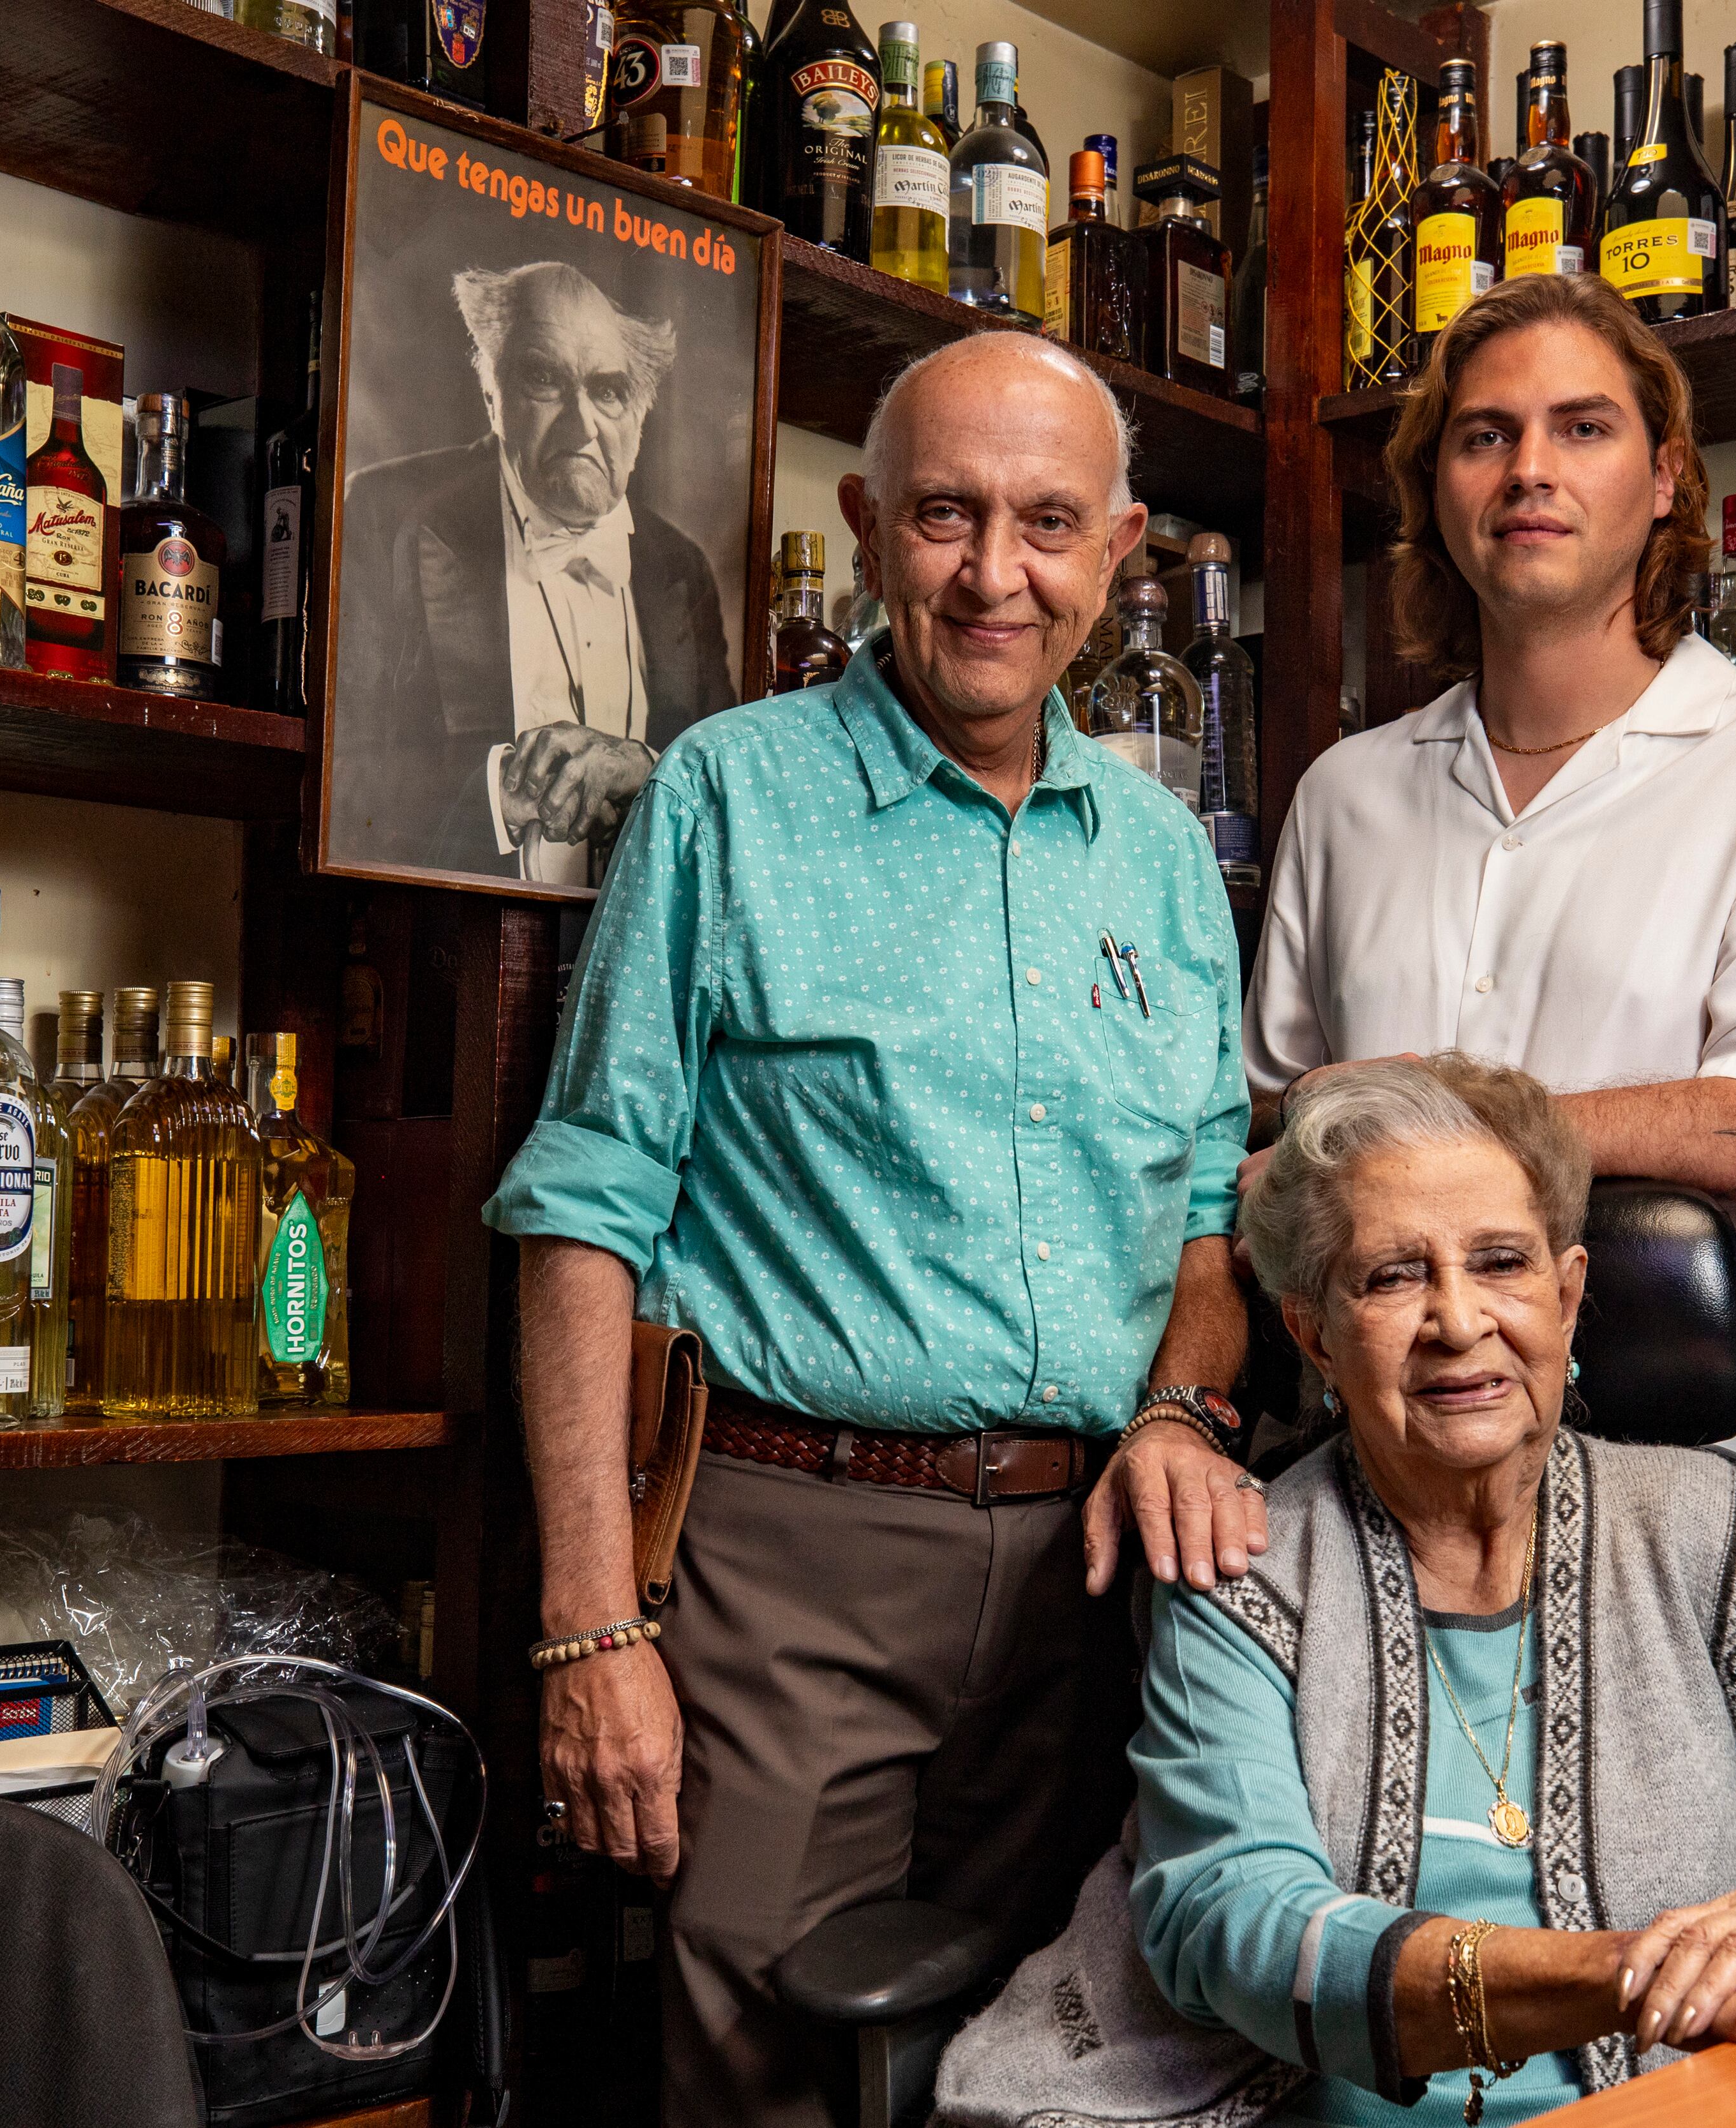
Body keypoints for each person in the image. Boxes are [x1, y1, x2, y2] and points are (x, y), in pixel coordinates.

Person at [483, 330, 1269, 2127]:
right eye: (946, 515)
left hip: (1090, 1573)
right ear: (864, 526)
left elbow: (1214, 1217)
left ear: (1120, 547)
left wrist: (1171, 1411)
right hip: (790, 1553)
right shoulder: (730, 795)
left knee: (1057, 2068)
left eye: (1049, 523)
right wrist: (592, 1627)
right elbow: (585, 1208)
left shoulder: (1162, 857)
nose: (998, 574)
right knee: (767, 2061)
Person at [936, 1056, 1736, 2125]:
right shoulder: (1243, 1563)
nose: (1459, 1320)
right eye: (1394, 1275)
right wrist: (1649, 1975)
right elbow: (1238, 1926)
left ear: (1568, 1291)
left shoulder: (1706, 1535)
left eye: (1500, 1261)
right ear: (1317, 1333)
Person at [1242, 272, 1736, 1481]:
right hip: (1369, 1478)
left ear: (1664, 481)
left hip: (1670, 1497)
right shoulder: (1345, 792)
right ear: (1436, 491)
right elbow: (1280, 1129)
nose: (1528, 468)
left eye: (1582, 427)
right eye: (1484, 436)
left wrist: (1422, 1104)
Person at [338, 259, 736, 886]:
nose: (581, 427)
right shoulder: (385, 514)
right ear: (491, 392)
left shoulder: (680, 568)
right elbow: (343, 774)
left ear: (640, 413)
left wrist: (647, 769)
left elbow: (729, 803)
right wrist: (500, 788)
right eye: (544, 379)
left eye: (607, 391)